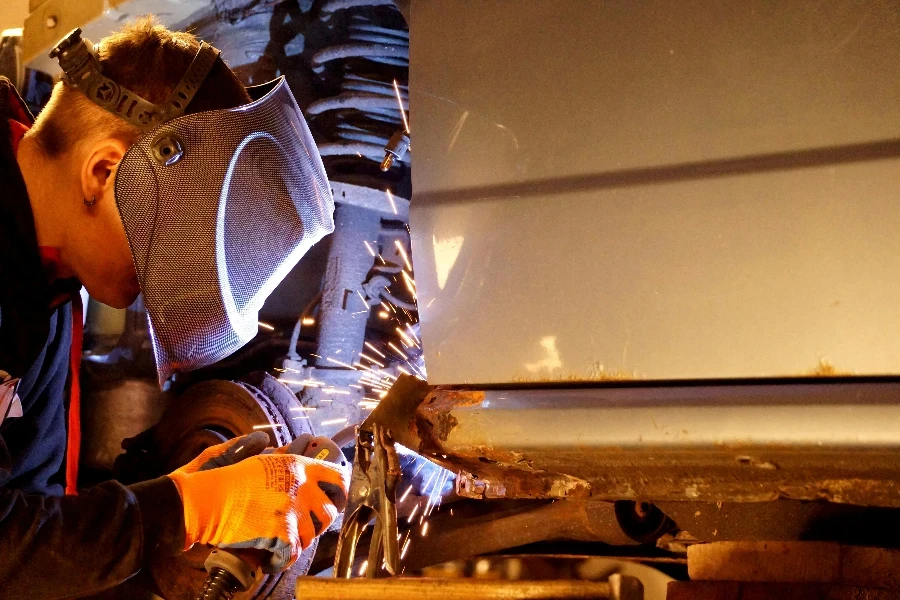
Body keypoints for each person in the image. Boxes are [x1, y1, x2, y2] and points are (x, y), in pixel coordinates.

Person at [0, 17, 346, 598]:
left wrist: (178, 505)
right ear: (105, 173)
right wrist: (182, 510)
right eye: (166, 241)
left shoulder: (50, 291)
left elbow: (34, 539)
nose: (167, 275)